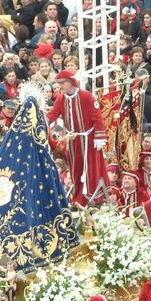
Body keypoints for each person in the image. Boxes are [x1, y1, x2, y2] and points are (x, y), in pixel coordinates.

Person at [46, 69, 108, 205]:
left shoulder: (86, 96)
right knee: (76, 168)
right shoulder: (61, 99)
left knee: (91, 167)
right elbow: (53, 114)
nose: (60, 87)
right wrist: (42, 120)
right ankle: (78, 198)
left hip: (89, 139)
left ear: (71, 82)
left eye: (62, 83)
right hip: (73, 141)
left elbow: (97, 117)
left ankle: (94, 197)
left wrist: (99, 137)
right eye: (59, 84)